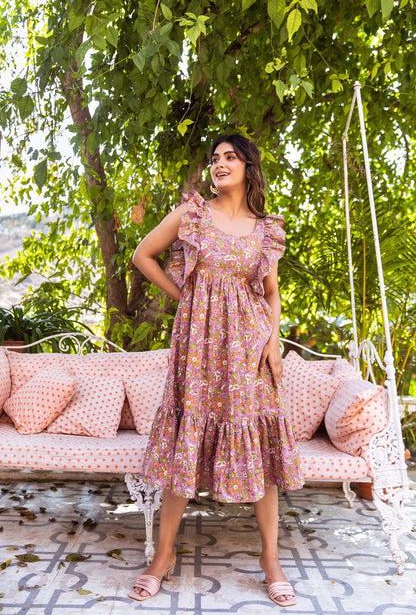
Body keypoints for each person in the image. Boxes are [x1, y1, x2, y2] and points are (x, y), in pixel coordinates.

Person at [130, 134, 304, 607]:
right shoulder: (192, 215)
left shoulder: (265, 229)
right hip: (199, 351)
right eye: (215, 158)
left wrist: (272, 340)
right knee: (184, 451)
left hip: (249, 350)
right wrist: (186, 299)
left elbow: (271, 293)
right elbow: (142, 256)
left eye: (230, 157)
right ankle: (162, 557)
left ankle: (271, 559)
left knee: (259, 448)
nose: (219, 164)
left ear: (249, 166)